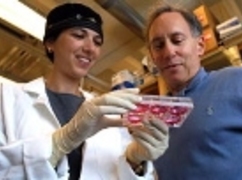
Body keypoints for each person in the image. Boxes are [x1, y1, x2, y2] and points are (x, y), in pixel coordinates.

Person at [0, 3, 169, 180]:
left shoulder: (108, 111)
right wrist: (59, 143)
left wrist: (134, 161)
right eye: (79, 35)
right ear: (50, 42)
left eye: (97, 42)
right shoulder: (7, 98)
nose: (90, 48)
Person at [145, 3, 242, 180]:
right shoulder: (154, 119)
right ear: (152, 58)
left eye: (177, 40)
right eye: (158, 45)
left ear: (200, 45)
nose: (169, 51)